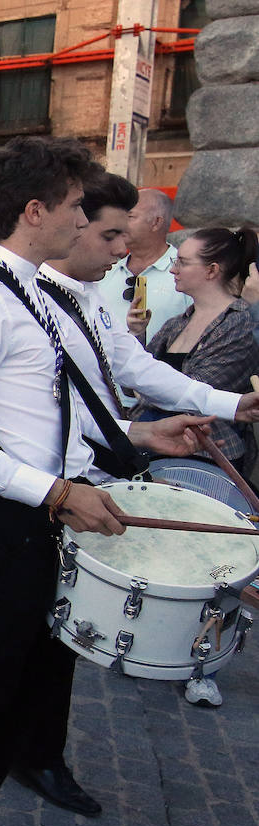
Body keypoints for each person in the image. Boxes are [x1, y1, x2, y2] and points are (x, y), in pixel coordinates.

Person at [0, 136, 210, 826]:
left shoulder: (32, 290)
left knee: (20, 682)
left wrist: (135, 439)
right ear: (36, 211)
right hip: (8, 517)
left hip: (43, 512)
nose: (87, 223)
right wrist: (54, 491)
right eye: (78, 208)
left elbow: (49, 411)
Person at [27, 176, 259, 781]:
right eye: (109, 234)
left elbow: (130, 370)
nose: (121, 250)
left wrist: (227, 407)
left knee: (56, 644)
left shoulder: (88, 297)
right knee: (5, 654)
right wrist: (69, 480)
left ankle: (40, 756)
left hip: (80, 481)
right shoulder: (16, 297)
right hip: (36, 493)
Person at [128, 227, 259, 474]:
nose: (173, 270)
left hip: (207, 457)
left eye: (183, 262)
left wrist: (143, 388)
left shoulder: (240, 322)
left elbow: (194, 394)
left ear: (212, 270)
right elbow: (132, 379)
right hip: (155, 449)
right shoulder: (177, 323)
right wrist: (137, 335)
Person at [100, 188, 192, 345]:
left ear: (156, 223)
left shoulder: (187, 272)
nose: (121, 225)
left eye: (130, 217)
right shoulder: (106, 271)